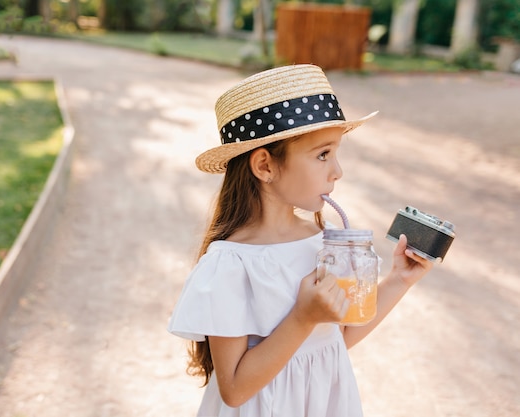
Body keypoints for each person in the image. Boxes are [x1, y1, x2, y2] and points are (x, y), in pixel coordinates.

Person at [167, 64, 433, 417]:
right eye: (323, 154)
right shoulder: (230, 263)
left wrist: (400, 279)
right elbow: (233, 389)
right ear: (264, 166)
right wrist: (302, 317)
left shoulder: (323, 243)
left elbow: (335, 340)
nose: (337, 170)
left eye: (336, 153)